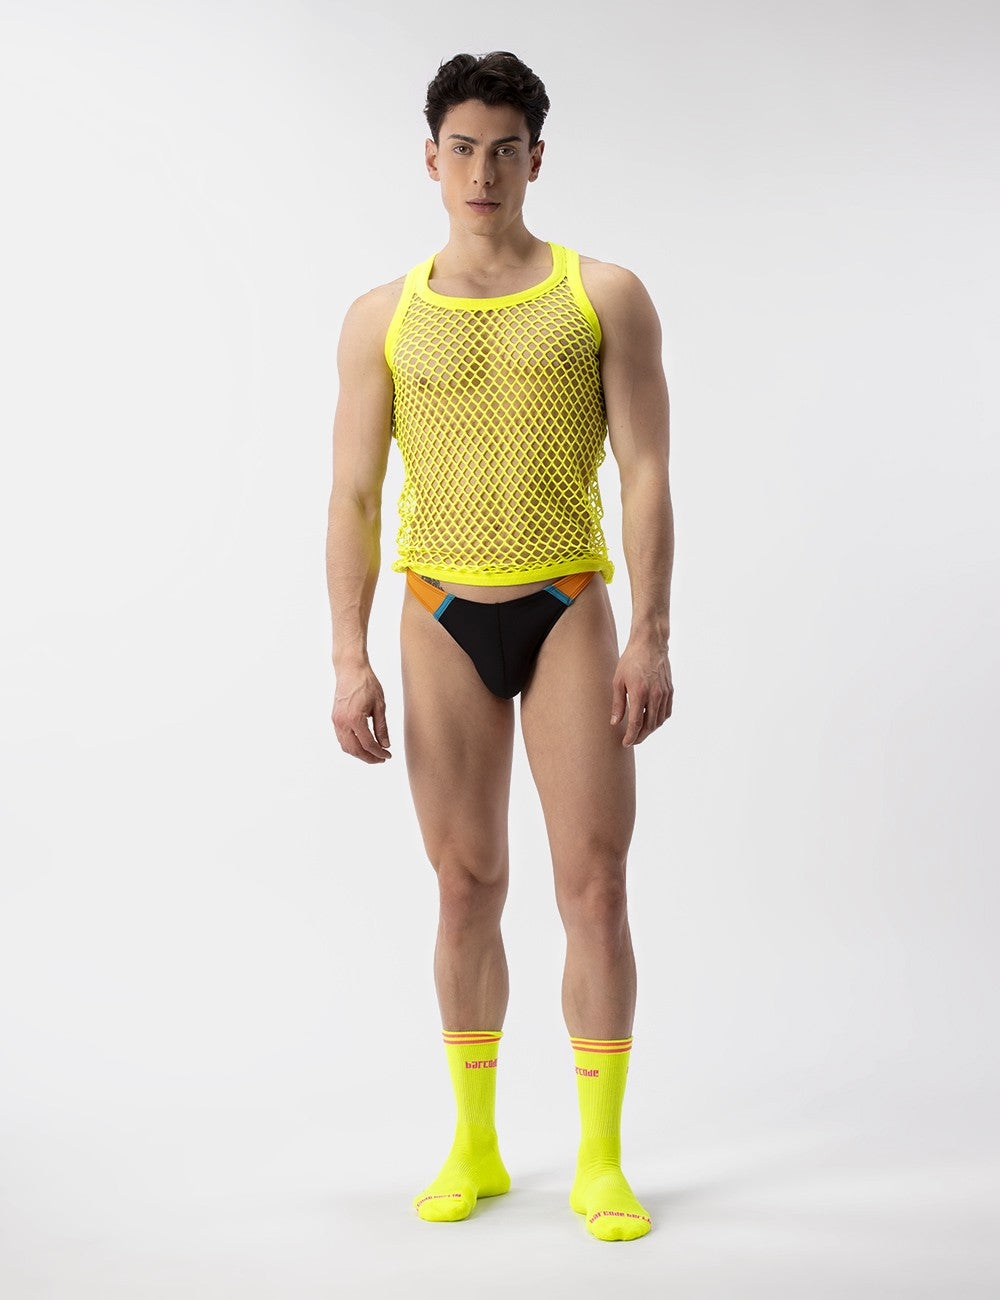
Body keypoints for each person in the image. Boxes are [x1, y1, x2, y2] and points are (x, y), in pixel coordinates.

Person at [326, 50, 673, 1242]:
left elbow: (646, 472)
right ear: (430, 160)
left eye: (505, 150)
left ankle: (600, 1158)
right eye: (463, 149)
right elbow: (353, 496)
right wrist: (347, 657)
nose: (483, 172)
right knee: (465, 885)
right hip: (437, 611)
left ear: (537, 158)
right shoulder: (382, 315)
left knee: (596, 886)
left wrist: (652, 631)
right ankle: (472, 1142)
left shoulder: (603, 294)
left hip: (569, 605)